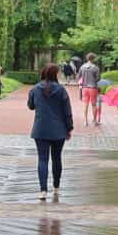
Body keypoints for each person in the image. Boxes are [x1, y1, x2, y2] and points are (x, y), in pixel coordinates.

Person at [27, 63, 74, 201]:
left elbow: (31, 106)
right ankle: (56, 187)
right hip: (59, 130)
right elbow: (67, 111)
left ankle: (43, 190)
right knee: (57, 158)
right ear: (55, 74)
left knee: (42, 159)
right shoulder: (61, 90)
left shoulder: (35, 88)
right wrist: (69, 128)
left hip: (40, 129)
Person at [77, 53, 102, 126]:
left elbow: (79, 76)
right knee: (94, 104)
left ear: (87, 58)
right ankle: (94, 121)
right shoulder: (95, 68)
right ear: (93, 59)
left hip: (85, 88)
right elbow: (98, 78)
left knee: (86, 104)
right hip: (93, 87)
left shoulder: (82, 67)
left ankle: (85, 121)